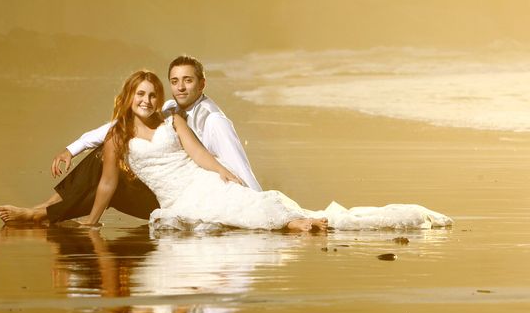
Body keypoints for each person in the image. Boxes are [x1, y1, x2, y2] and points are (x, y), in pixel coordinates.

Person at [80, 70, 452, 232]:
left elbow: (199, 156)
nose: (146, 100)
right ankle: (292, 222)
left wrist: (225, 174)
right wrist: (92, 221)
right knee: (223, 216)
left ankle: (293, 222)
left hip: (199, 181)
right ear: (128, 98)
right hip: (175, 198)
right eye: (140, 94)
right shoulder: (116, 138)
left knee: (235, 203)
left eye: (152, 94)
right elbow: (108, 184)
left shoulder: (172, 122)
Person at [0, 55, 260, 224]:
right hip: (160, 188)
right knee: (105, 153)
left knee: (111, 180)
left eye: (188, 81)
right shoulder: (168, 109)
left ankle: (42, 214)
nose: (180, 87)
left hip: (190, 195)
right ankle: (43, 210)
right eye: (175, 81)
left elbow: (237, 165)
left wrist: (253, 205)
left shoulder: (213, 121)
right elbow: (115, 127)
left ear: (202, 84)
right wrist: (71, 148)